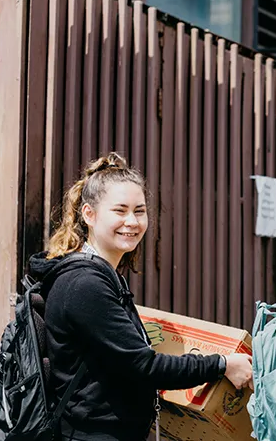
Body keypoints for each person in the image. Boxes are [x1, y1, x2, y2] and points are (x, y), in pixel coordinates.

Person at [32, 153, 253, 440]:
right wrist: (222, 365)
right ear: (89, 214)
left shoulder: (102, 276)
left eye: (139, 211)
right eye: (119, 211)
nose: (132, 221)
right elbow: (144, 366)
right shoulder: (84, 285)